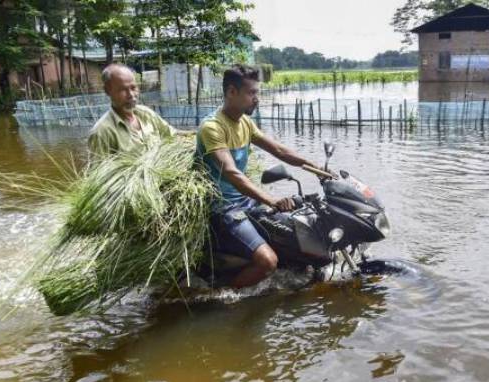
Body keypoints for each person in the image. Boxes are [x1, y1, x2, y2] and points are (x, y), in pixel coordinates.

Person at [197, 65, 320, 289]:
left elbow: (280, 151)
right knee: (268, 262)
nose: (257, 99)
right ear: (232, 92)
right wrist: (271, 200)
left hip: (246, 202)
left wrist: (316, 168)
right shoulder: (212, 127)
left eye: (257, 93)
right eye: (252, 93)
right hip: (223, 208)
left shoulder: (245, 122)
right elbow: (232, 173)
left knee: (294, 236)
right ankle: (223, 297)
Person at [87, 64, 180, 159]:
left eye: (133, 88)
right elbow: (101, 172)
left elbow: (172, 135)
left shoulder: (146, 113)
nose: (131, 94)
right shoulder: (102, 132)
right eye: (123, 90)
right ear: (107, 91)